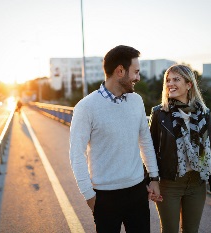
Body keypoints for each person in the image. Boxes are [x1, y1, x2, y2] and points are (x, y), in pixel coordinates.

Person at [69, 45, 161, 233]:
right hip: (105, 197)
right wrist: (89, 196)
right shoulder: (86, 107)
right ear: (120, 71)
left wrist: (154, 178)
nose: (138, 78)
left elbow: (145, 141)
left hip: (137, 191)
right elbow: (76, 155)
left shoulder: (137, 101)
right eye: (135, 72)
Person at [149, 64, 211, 233]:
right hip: (169, 184)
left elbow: (210, 150)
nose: (170, 84)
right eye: (168, 80)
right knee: (169, 230)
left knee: (191, 230)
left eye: (176, 79)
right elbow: (149, 150)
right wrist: (151, 181)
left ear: (189, 85)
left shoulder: (203, 113)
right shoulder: (159, 113)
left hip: (197, 183)